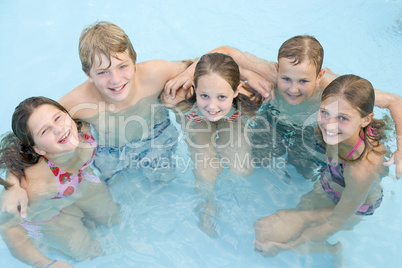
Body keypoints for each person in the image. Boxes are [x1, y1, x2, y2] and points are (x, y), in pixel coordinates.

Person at [1, 21, 199, 218]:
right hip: (112, 154)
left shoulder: (157, 73)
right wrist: (12, 185)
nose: (116, 80)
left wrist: (189, 73)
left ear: (134, 60)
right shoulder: (75, 102)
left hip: (159, 137)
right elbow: (26, 140)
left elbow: (208, 63)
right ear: (88, 74)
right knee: (120, 199)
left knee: (165, 182)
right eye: (103, 72)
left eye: (122, 66)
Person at [165, 35, 402, 180]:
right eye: (286, 79)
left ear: (320, 75)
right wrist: (188, 72)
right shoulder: (270, 71)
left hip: (314, 130)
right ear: (278, 69)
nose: (293, 89)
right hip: (276, 120)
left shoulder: (333, 87)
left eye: (304, 81)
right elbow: (224, 52)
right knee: (255, 162)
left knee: (305, 173)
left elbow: (395, 101)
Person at [253, 75, 389, 258]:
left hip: (354, 205)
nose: (330, 124)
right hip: (330, 183)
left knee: (269, 233)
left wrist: (282, 247)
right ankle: (329, 248)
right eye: (324, 112)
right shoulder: (329, 127)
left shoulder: (361, 169)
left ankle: (333, 251)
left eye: (343, 118)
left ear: (366, 120)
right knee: (268, 227)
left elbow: (336, 221)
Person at [0, 97, 121, 267]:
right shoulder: (36, 186)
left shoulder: (82, 127)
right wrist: (46, 264)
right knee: (89, 251)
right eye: (44, 131)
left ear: (67, 113)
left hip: (82, 183)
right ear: (38, 149)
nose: (59, 129)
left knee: (114, 218)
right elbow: (7, 227)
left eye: (57, 118)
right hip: (51, 215)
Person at [162, 53, 263, 236]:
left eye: (222, 97)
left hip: (232, 118)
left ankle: (228, 185)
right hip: (196, 120)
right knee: (205, 173)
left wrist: (248, 74)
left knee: (242, 170)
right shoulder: (179, 100)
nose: (212, 106)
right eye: (205, 95)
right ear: (194, 87)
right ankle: (207, 206)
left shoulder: (250, 99)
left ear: (236, 91)